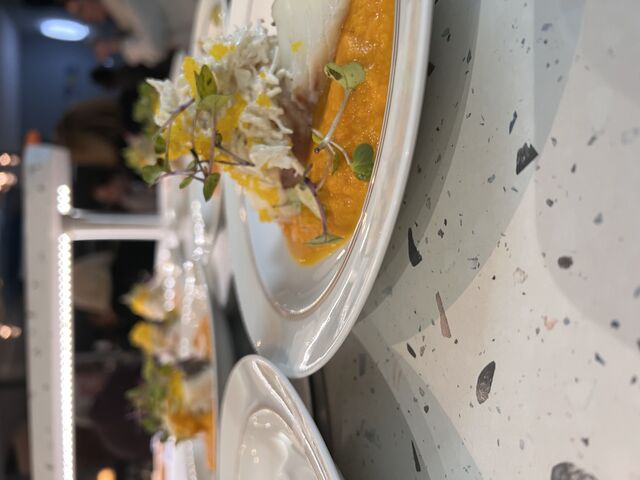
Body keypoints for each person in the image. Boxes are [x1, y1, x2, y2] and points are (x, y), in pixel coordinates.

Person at [64, 0, 196, 66]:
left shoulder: (123, 4)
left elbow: (156, 48)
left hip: (199, 13)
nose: (86, 18)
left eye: (81, 10)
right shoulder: (118, 12)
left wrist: (115, 46)